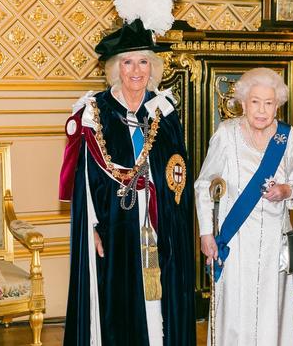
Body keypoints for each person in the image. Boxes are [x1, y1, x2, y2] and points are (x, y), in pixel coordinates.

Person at [58, 18, 195, 345]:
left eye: (144, 61)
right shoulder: (94, 112)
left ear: (154, 66)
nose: (137, 71)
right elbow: (83, 179)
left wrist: (171, 219)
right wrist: (89, 228)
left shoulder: (165, 110)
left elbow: (178, 172)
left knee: (158, 302)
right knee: (116, 306)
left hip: (159, 226)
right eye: (128, 62)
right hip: (113, 226)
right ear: (115, 68)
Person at [194, 68, 293, 346]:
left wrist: (286, 190)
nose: (261, 110)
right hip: (237, 243)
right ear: (243, 103)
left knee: (272, 314)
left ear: (277, 105)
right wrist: (206, 233)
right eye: (255, 102)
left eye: (269, 103)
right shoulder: (226, 134)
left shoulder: (285, 136)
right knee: (236, 314)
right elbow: (203, 185)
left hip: (274, 245)